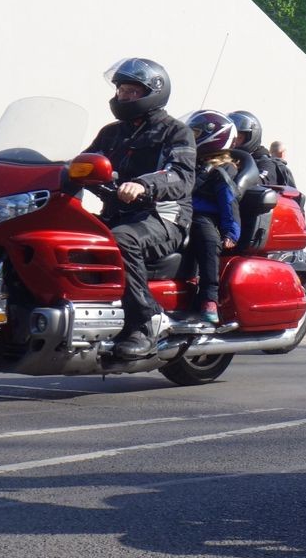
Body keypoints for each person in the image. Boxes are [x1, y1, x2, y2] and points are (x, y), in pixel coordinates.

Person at [82, 58, 195, 360]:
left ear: (154, 91)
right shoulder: (111, 133)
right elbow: (84, 162)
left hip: (163, 218)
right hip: (117, 215)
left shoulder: (176, 132)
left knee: (122, 241)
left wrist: (145, 185)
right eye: (121, 90)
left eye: (133, 90)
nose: (124, 95)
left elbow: (181, 175)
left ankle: (144, 322)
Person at [180, 111, 240, 324]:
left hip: (202, 216)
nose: (191, 138)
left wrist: (230, 232)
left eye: (195, 133)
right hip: (177, 211)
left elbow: (228, 201)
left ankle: (209, 299)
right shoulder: (187, 161)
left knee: (207, 240)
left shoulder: (223, 169)